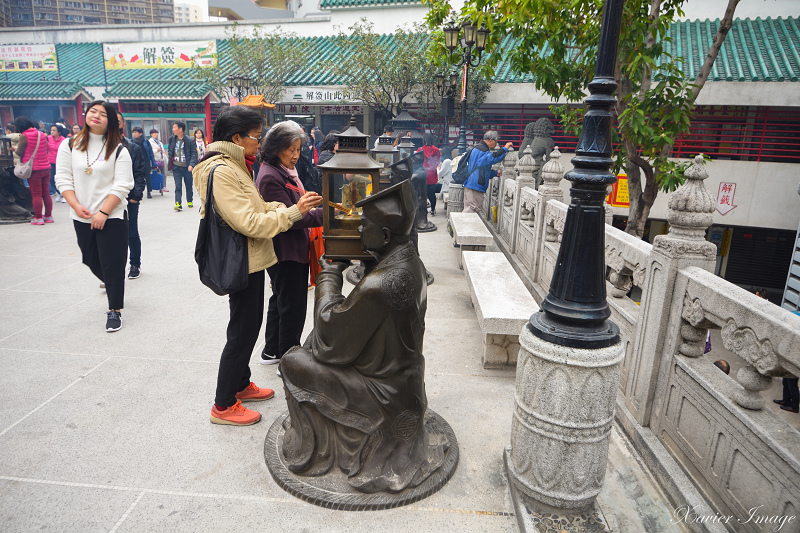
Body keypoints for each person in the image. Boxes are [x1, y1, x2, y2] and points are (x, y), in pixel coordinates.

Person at [279, 180, 448, 492]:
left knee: (292, 360)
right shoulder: (412, 263)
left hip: (381, 394)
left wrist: (328, 274)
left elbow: (331, 336)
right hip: (406, 385)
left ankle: (316, 451)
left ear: (383, 235)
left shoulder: (379, 285)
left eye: (363, 226)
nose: (357, 232)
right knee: (310, 344)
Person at [192, 105, 322, 426]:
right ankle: (223, 405)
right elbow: (249, 221)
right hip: (241, 258)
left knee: (248, 325)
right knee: (242, 330)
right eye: (255, 135)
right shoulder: (222, 171)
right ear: (236, 137)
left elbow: (258, 205)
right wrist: (293, 213)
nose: (259, 141)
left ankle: (240, 384)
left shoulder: (237, 166)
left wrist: (285, 205)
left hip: (250, 258)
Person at [54, 101, 134, 332]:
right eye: (92, 111)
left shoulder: (119, 149)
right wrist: (76, 206)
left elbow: (122, 185)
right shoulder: (69, 145)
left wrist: (104, 212)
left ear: (111, 121)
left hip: (113, 215)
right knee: (90, 258)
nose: (96, 116)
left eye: (103, 113)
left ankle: (114, 310)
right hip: (81, 214)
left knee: (113, 263)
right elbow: (63, 178)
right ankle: (113, 281)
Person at [255, 121, 324, 368]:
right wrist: (327, 215)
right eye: (290, 150)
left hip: (289, 248)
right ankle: (289, 361)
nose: (295, 155)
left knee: (280, 300)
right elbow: (293, 219)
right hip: (286, 250)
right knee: (292, 306)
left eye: (298, 149)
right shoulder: (271, 177)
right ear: (275, 148)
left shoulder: (281, 171)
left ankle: (272, 351)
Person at [117, 112, 148, 281]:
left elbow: (139, 173)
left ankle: (135, 263)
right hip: (106, 199)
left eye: (118, 121)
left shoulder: (132, 147)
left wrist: (136, 196)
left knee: (131, 232)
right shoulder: (99, 148)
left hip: (128, 198)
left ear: (123, 125)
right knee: (109, 236)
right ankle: (111, 269)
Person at [462, 131, 513, 214]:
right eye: (496, 142)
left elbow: (481, 168)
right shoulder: (482, 150)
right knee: (472, 211)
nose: (496, 145)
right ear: (491, 140)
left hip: (471, 183)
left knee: (469, 209)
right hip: (475, 186)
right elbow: (492, 158)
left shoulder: (477, 148)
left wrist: (494, 173)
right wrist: (504, 149)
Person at [15, 116, 51, 224]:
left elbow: (19, 152)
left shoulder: (24, 136)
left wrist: (14, 149)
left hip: (34, 169)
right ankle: (48, 216)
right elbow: (47, 147)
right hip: (46, 167)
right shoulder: (41, 134)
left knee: (36, 194)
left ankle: (38, 218)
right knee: (46, 193)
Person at [168, 121, 197, 211]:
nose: (173, 129)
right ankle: (178, 203)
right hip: (176, 166)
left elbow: (194, 154)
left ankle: (189, 201)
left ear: (180, 129)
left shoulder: (189, 140)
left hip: (187, 167)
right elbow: (170, 151)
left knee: (188, 185)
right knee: (178, 185)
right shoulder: (172, 139)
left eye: (174, 127)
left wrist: (191, 164)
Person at [416, 133, 442, 216]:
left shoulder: (420, 150)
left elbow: (416, 162)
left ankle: (423, 210)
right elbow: (438, 162)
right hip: (432, 175)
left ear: (424, 140)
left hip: (422, 175)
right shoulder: (436, 150)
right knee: (431, 194)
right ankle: (433, 210)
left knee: (422, 194)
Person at [132, 126, 156, 198]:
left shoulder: (146, 142)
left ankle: (149, 192)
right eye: (133, 132)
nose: (134, 134)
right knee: (136, 178)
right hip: (135, 163)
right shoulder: (131, 142)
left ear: (140, 133)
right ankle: (137, 192)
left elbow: (150, 153)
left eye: (136, 132)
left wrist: (154, 163)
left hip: (145, 162)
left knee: (147, 177)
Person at [48, 122, 68, 202]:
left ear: (59, 132)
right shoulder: (48, 138)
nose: (52, 132)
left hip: (61, 161)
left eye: (54, 130)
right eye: (51, 130)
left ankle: (64, 194)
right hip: (51, 161)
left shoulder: (64, 140)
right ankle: (58, 193)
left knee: (61, 178)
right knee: (52, 178)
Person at [148, 129, 168, 194]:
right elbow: (149, 152)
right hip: (155, 160)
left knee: (164, 174)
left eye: (157, 133)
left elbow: (163, 151)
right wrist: (157, 150)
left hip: (162, 160)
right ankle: (156, 186)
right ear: (151, 134)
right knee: (156, 174)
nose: (156, 135)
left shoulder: (159, 142)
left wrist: (166, 159)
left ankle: (163, 186)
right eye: (154, 133)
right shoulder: (149, 142)